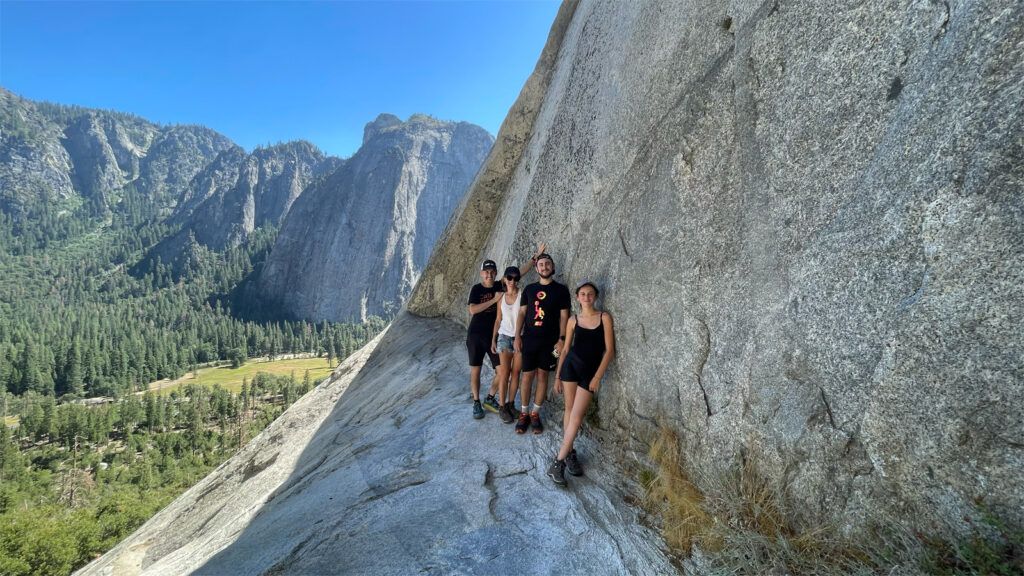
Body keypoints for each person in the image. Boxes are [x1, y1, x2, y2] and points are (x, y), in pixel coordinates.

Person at [547, 281, 615, 485]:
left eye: (590, 294)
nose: (586, 297)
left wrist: (597, 377)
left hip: (589, 374)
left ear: (595, 296)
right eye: (583, 294)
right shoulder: (573, 320)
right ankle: (568, 453)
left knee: (576, 415)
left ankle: (557, 462)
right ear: (577, 297)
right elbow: (565, 349)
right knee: (569, 411)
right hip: (570, 367)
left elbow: (609, 351)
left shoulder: (604, 317)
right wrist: (557, 376)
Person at [514, 253, 570, 434]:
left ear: (553, 267)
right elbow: (522, 313)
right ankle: (523, 414)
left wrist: (561, 340)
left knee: (543, 376)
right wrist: (517, 336)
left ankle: (535, 414)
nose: (544, 267)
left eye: (547, 264)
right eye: (541, 264)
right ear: (536, 268)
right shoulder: (529, 290)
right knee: (527, 376)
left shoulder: (561, 290)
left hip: (550, 344)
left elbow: (564, 316)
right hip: (529, 340)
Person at [466, 259, 504, 419]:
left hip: (492, 336)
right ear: (482, 274)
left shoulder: (499, 286)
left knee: (502, 371)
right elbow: (473, 310)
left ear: (495, 273)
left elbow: (518, 273)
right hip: (475, 335)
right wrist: (494, 300)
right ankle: (476, 402)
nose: (489, 274)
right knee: (476, 370)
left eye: (492, 272)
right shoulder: (477, 289)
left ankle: (489, 398)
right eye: (486, 272)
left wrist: (534, 259)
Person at [491, 266, 523, 424]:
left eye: (515, 278)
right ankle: (502, 407)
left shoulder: (523, 296)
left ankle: (511, 404)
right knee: (504, 373)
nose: (512, 281)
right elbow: (498, 319)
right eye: (509, 278)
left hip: (519, 337)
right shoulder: (501, 297)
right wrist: (493, 339)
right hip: (504, 336)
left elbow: (524, 317)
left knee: (516, 373)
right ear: (504, 279)